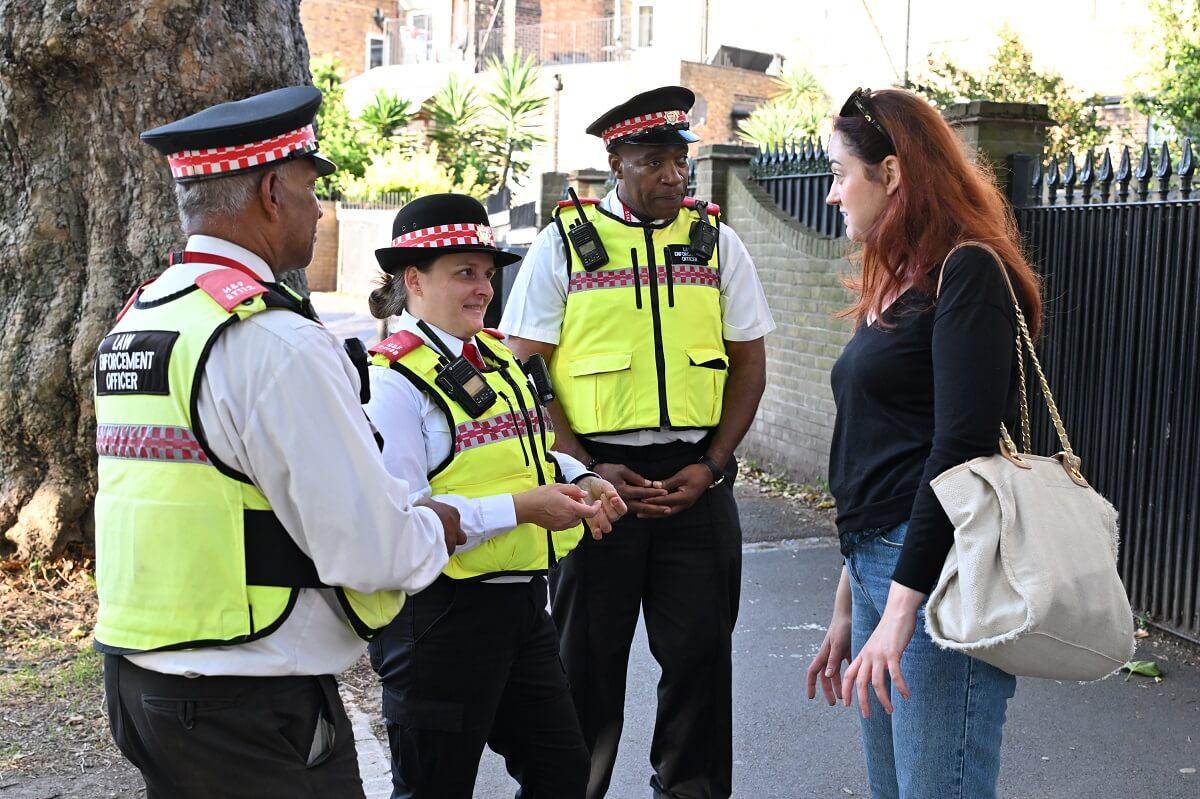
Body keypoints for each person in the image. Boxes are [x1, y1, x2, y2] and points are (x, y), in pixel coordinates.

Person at [93, 86, 465, 799]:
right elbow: (369, 547)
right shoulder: (274, 339)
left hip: (142, 685)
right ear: (270, 190)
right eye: (310, 185)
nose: (320, 209)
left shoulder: (143, 314)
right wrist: (440, 525)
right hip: (247, 707)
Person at [501, 86, 775, 799]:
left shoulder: (718, 243)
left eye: (678, 160)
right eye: (653, 160)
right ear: (615, 162)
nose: (673, 176)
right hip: (595, 486)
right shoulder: (563, 245)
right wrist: (586, 467)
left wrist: (713, 463)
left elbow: (749, 360)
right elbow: (525, 369)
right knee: (584, 664)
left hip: (696, 481)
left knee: (700, 661)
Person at [805, 87, 1044, 798]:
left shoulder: (967, 273)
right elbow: (881, 454)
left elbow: (958, 450)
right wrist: (852, 601)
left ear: (893, 175)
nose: (830, 193)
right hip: (882, 567)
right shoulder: (890, 283)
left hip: (939, 578)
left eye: (841, 172)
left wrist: (901, 611)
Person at [363, 193, 628, 799]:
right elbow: (402, 519)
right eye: (464, 273)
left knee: (563, 775)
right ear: (414, 281)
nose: (483, 288)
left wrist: (578, 475)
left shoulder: (495, 357)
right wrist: (526, 509)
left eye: (486, 273)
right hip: (438, 620)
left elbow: (527, 455)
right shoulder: (392, 381)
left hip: (519, 610)